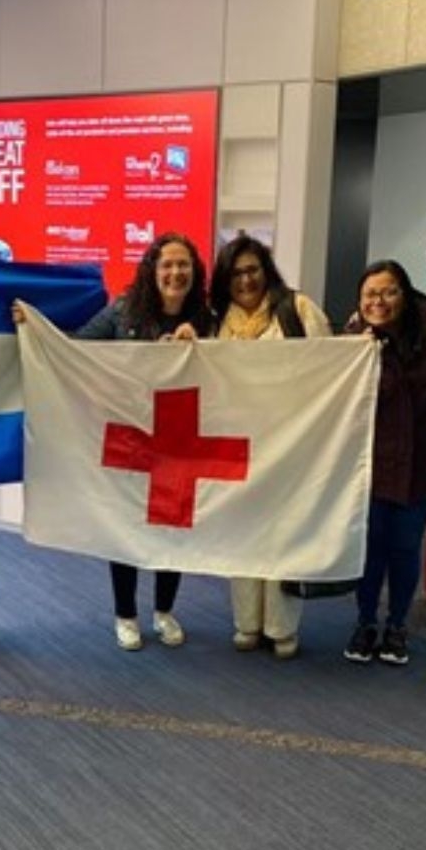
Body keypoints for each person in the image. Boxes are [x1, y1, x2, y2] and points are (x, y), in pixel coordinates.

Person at [70, 232, 214, 650]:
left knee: (173, 530)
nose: (175, 272)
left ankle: (164, 611)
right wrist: (35, 331)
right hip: (132, 439)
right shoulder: (123, 311)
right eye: (167, 264)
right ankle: (126, 614)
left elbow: (230, 372)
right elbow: (77, 349)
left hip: (180, 441)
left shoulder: (207, 317)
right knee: (127, 529)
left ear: (194, 271)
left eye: (183, 264)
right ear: (152, 269)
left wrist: (200, 347)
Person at [209, 234, 332, 660]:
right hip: (237, 444)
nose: (245, 279)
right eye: (236, 272)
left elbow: (329, 367)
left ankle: (282, 628)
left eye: (252, 269)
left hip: (289, 442)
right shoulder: (216, 320)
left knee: (283, 533)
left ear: (267, 270)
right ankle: (247, 623)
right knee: (244, 532)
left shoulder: (296, 310)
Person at [341, 260, 426, 665]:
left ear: (406, 294)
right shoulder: (353, 342)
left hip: (419, 465)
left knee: (404, 548)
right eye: (369, 294)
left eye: (388, 292)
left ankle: (397, 625)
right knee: (370, 550)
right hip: (370, 467)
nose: (378, 301)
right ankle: (366, 622)